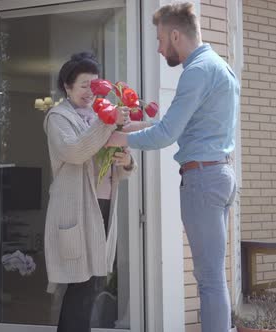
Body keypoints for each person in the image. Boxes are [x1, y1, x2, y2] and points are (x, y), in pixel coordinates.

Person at [106, 3, 240, 332]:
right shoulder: (220, 66)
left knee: (208, 280)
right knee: (213, 276)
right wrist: (125, 129)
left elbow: (166, 135)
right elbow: (172, 125)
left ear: (176, 35)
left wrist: (117, 141)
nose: (157, 46)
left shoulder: (196, 70)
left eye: (160, 38)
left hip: (203, 180)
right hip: (219, 174)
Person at [43, 52, 135, 332]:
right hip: (77, 208)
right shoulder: (58, 117)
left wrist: (127, 162)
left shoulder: (100, 115)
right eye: (83, 85)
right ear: (67, 87)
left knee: (93, 283)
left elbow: (116, 160)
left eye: (94, 85)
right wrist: (107, 121)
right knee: (80, 283)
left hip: (103, 204)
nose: (90, 92)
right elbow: (75, 152)